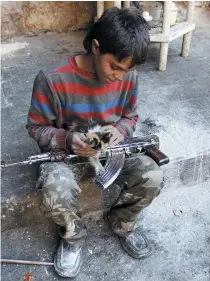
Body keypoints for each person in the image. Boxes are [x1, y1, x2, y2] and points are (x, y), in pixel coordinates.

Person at [26, 7, 164, 278]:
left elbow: (130, 117)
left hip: (110, 150)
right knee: (55, 189)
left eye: (127, 70)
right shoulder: (51, 79)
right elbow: (35, 127)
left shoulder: (127, 77)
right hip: (67, 154)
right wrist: (66, 139)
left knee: (153, 174)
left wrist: (120, 131)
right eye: (115, 66)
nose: (119, 76)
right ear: (96, 47)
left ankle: (122, 223)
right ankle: (72, 237)